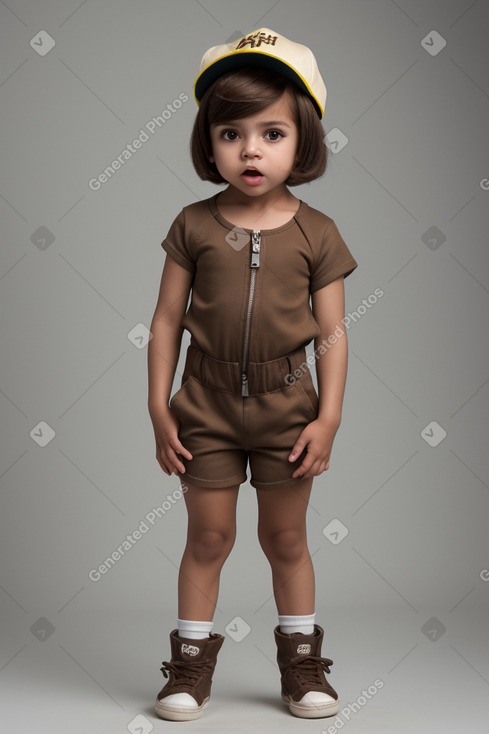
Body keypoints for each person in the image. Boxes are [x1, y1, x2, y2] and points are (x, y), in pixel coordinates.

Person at [147, 27, 358, 722]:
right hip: (203, 405)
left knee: (286, 539)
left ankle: (301, 666)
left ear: (302, 143)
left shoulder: (316, 232)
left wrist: (326, 418)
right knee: (207, 538)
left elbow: (331, 334)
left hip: (286, 409)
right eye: (231, 133)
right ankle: (188, 668)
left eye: (271, 133)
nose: (250, 150)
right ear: (209, 144)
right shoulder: (193, 224)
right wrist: (159, 409)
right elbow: (165, 325)